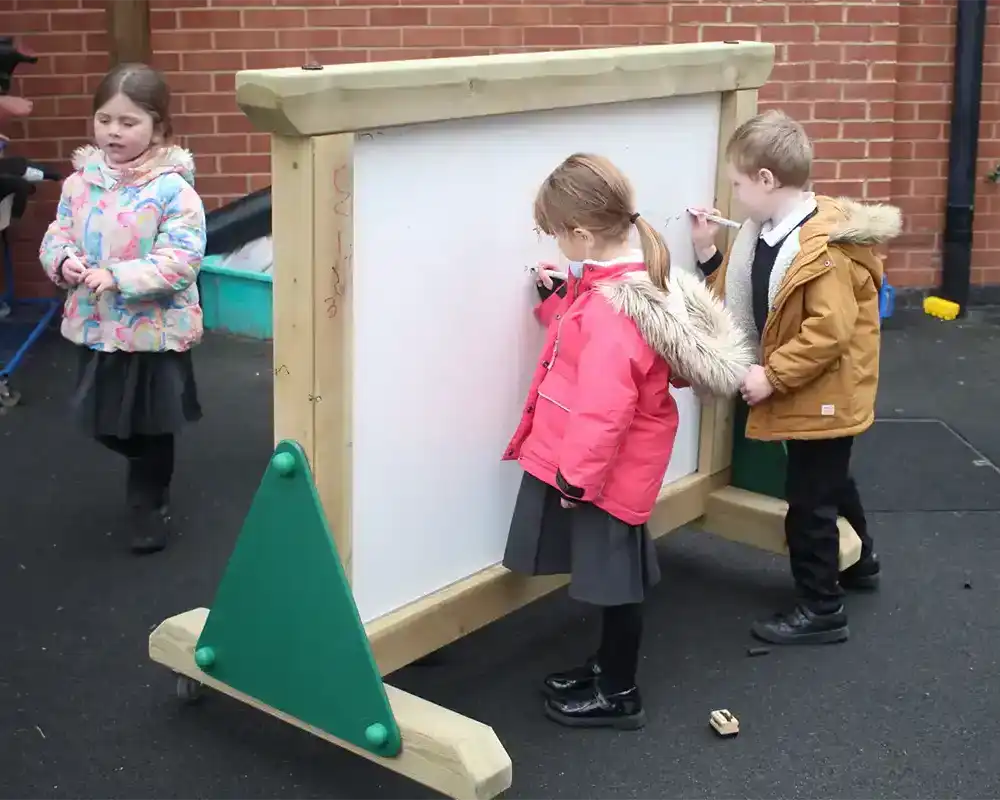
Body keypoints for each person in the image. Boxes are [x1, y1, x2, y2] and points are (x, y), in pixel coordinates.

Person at [502, 153, 754, 729]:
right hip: (617, 468)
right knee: (614, 577)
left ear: (582, 234)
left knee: (617, 583)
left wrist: (576, 479)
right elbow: (582, 344)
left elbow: (604, 406)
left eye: (552, 233)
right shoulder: (621, 285)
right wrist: (553, 300)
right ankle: (604, 667)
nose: (551, 242)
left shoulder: (616, 309)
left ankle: (618, 693)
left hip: (605, 474)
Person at [689, 109, 902, 645]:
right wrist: (708, 252)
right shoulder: (768, 231)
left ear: (766, 180)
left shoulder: (821, 252)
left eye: (738, 183)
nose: (734, 196)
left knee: (808, 503)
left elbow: (827, 333)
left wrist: (773, 377)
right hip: (819, 391)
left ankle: (821, 608)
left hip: (822, 391)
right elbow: (752, 297)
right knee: (831, 479)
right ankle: (861, 561)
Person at [39, 63, 206, 555]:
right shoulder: (78, 184)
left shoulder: (173, 190)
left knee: (152, 422)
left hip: (153, 329)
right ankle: (149, 473)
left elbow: (181, 259)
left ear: (158, 128)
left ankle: (148, 503)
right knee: (101, 422)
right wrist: (64, 262)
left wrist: (119, 276)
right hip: (97, 325)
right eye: (105, 119)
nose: (114, 131)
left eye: (129, 122)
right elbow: (58, 235)